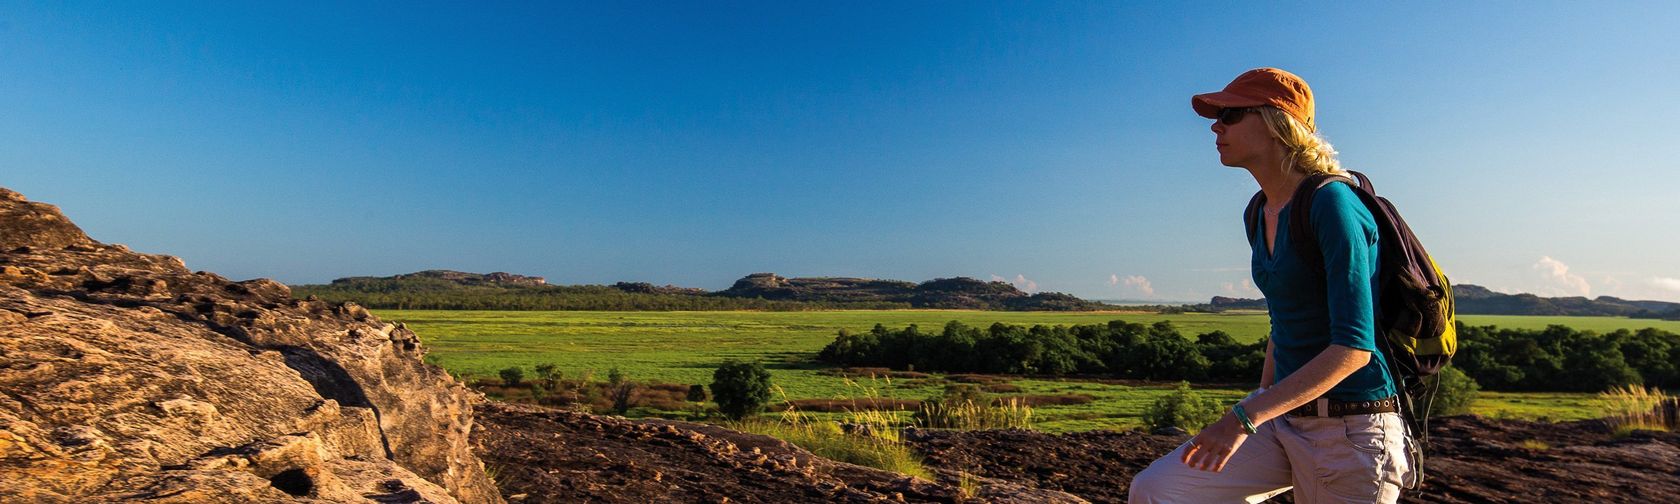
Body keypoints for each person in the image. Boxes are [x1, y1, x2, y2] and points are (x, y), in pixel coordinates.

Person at [1127, 68, 1414, 503]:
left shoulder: (1332, 204)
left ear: (1277, 122)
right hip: (1283, 420)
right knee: (1159, 490)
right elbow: (1284, 322)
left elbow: (1354, 349)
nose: (1215, 125)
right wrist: (1261, 401)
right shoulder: (1259, 210)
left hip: (1353, 432)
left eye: (1231, 114)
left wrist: (1242, 418)